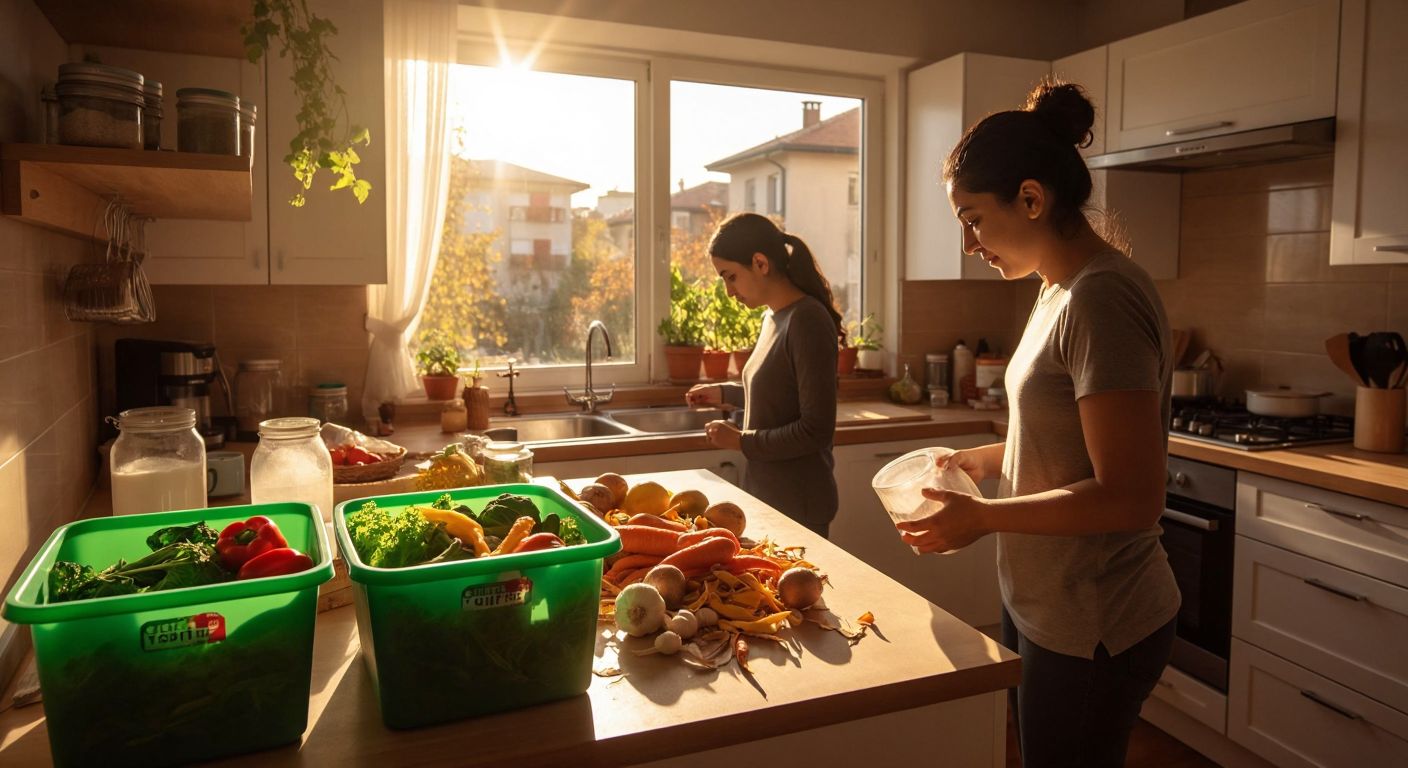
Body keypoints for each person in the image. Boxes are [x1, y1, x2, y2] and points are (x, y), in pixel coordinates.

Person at [897, 80, 1180, 767]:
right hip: (1048, 601)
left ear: (1031, 198)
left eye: (973, 219)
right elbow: (1061, 441)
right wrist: (982, 462)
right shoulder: (1055, 289)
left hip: (1097, 617)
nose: (968, 244)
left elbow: (1130, 496)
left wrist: (983, 519)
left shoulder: (1101, 298)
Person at [685, 213, 843, 537]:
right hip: (771, 500)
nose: (729, 292)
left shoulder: (808, 321)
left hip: (799, 506)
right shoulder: (774, 318)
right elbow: (782, 391)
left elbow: (816, 429)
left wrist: (742, 441)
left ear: (760, 263)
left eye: (731, 276)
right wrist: (726, 394)